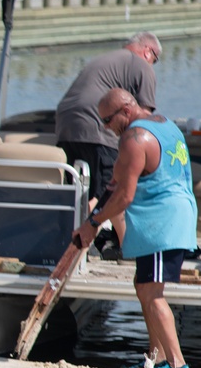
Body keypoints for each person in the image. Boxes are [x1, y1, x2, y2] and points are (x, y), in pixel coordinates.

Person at [72, 88, 197, 368]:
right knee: (144, 288)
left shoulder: (133, 137)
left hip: (161, 221)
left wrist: (92, 225)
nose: (106, 127)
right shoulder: (164, 123)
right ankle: (156, 360)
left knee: (152, 293)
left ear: (125, 111)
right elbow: (117, 183)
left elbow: (124, 197)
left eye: (107, 120)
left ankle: (177, 364)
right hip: (174, 214)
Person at [56, 31, 163, 259]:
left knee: (80, 189)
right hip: (96, 121)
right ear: (148, 51)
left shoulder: (108, 59)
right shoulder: (142, 66)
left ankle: (93, 244)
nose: (153, 65)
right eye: (155, 60)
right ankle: (121, 248)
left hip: (66, 123)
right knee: (108, 190)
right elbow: (144, 120)